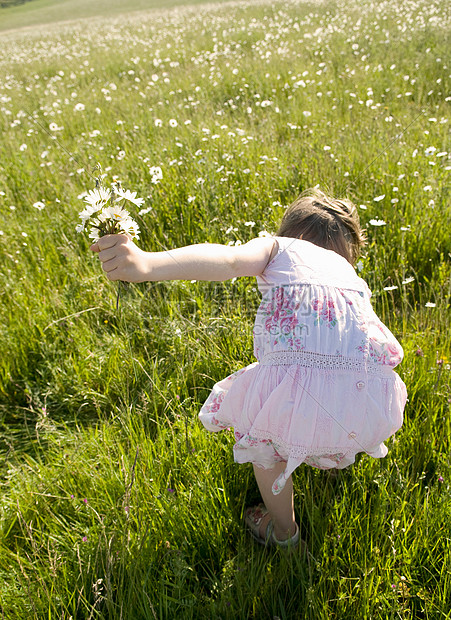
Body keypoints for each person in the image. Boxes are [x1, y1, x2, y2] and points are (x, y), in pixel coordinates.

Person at [90, 188, 407, 549]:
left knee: (265, 438)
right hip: (368, 401)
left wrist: (145, 265)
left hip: (298, 391)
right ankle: (323, 447)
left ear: (289, 231)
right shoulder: (351, 276)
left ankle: (284, 533)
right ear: (349, 250)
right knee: (314, 397)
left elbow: (228, 261)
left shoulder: (279, 247)